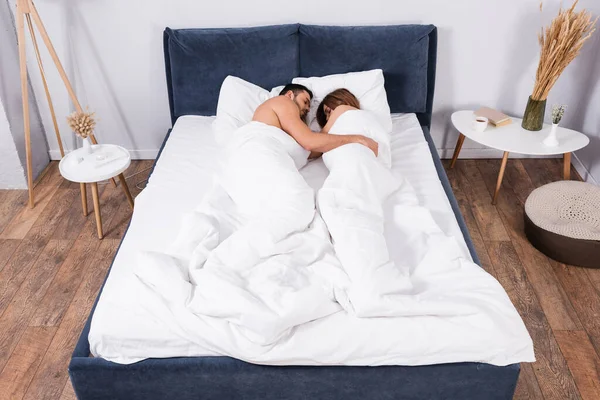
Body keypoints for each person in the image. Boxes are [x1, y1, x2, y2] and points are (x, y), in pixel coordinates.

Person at [252, 84, 378, 156]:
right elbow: (310, 143)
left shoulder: (285, 125)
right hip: (259, 152)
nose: (307, 109)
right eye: (305, 101)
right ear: (290, 95)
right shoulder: (284, 101)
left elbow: (311, 151)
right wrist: (358, 139)